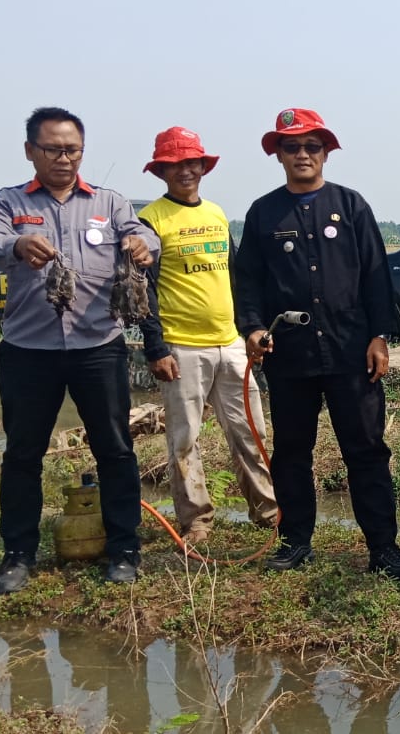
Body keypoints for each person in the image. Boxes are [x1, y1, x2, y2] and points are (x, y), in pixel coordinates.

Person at [0, 106, 159, 594]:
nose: (64, 158)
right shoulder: (8, 202)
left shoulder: (109, 201)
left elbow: (142, 233)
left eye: (73, 149)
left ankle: (123, 549)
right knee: (22, 453)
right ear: (30, 151)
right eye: (53, 149)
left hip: (98, 346)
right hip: (28, 350)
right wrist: (17, 245)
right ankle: (17, 554)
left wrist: (142, 244)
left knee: (116, 449)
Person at [231, 107, 400, 580]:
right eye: (291, 147)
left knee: (366, 450)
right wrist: (252, 327)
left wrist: (380, 335)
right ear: (278, 154)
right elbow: (247, 280)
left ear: (326, 152)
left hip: (351, 352)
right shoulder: (263, 212)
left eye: (311, 146)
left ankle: (383, 547)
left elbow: (377, 277)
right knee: (293, 450)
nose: (302, 154)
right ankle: (295, 541)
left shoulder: (350, 206)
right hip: (289, 354)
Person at [137, 126, 277, 548]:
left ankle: (268, 511)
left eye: (192, 162)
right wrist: (156, 347)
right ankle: (196, 520)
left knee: (250, 432)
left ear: (203, 167)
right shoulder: (152, 220)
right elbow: (143, 290)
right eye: (176, 164)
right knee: (185, 440)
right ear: (162, 171)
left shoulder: (216, 214)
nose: (186, 170)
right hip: (182, 346)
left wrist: (250, 328)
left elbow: (236, 276)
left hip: (229, 342)